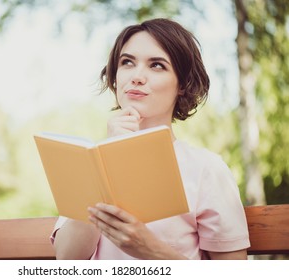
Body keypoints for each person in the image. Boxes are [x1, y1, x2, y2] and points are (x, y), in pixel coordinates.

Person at [50, 18, 250, 260]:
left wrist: (150, 250)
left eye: (156, 65)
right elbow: (67, 258)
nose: (136, 76)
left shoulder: (206, 169)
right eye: (127, 62)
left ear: (183, 85)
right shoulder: (90, 162)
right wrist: (108, 158)